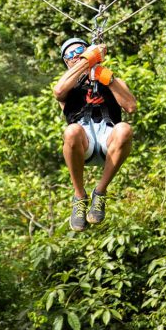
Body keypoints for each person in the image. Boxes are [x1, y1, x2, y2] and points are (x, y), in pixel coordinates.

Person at [53, 38, 136, 231]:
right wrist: (87, 59)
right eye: (71, 56)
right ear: (67, 62)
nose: (76, 57)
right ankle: (79, 196)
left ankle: (100, 192)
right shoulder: (66, 87)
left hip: (108, 138)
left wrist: (108, 79)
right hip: (84, 142)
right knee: (71, 131)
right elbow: (58, 91)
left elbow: (131, 107)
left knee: (125, 128)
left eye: (80, 51)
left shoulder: (112, 80)